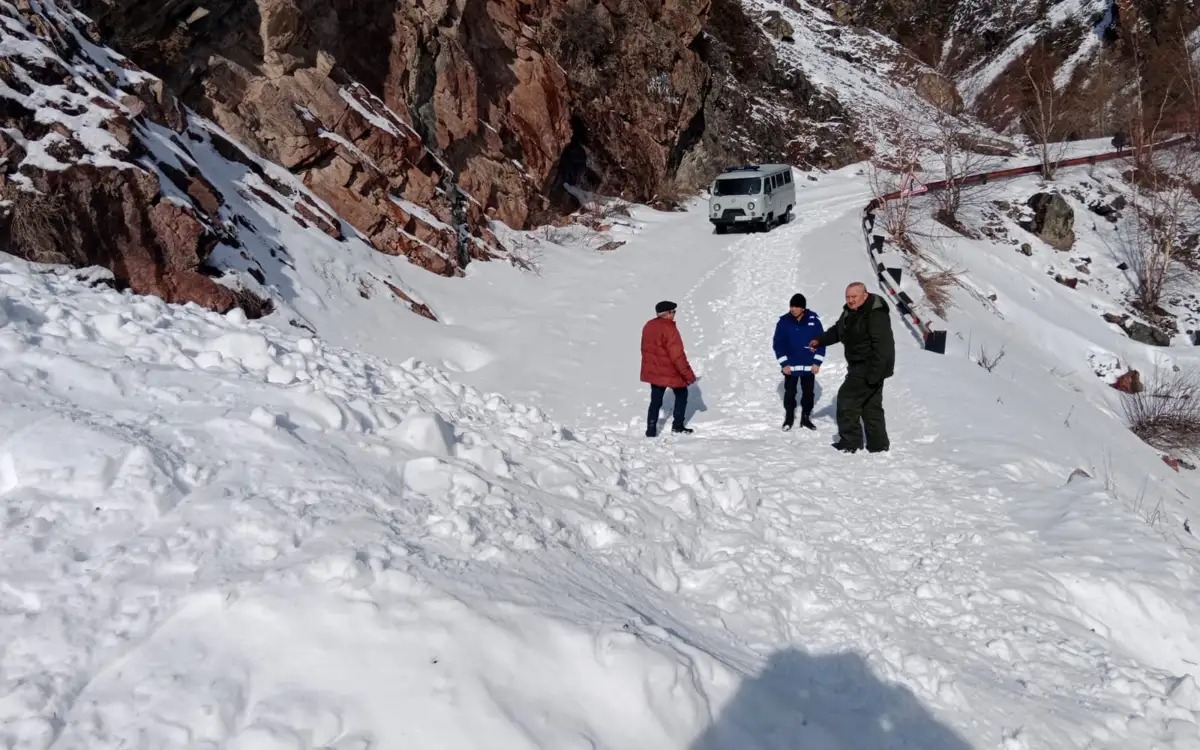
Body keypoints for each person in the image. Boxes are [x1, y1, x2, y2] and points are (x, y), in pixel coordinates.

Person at [809, 282, 895, 453]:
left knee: (846, 401)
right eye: (848, 297)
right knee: (871, 407)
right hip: (861, 367)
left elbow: (884, 346)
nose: (850, 300)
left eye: (854, 296)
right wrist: (820, 340)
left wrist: (875, 374)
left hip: (868, 368)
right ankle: (878, 446)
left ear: (865, 295)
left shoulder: (875, 315)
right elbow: (839, 331)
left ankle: (850, 443)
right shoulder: (850, 312)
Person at [640, 300, 697, 437]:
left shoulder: (649, 325)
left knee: (655, 400)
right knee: (682, 394)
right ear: (668, 313)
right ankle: (678, 426)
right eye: (674, 312)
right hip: (670, 371)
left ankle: (651, 429)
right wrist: (688, 375)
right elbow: (677, 355)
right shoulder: (669, 328)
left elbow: (645, 348)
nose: (675, 315)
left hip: (654, 370)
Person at [772, 293, 825, 431]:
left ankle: (805, 418)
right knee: (790, 393)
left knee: (808, 393)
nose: (792, 309)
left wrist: (817, 363)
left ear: (803, 308)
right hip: (791, 366)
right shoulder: (784, 322)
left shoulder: (813, 320)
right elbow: (778, 344)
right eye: (791, 306)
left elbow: (821, 341)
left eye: (796, 306)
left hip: (809, 366)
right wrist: (784, 364)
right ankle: (789, 417)